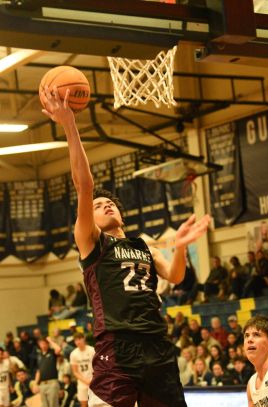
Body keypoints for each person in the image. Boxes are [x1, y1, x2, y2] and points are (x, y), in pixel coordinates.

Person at [42, 86, 211, 407]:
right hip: (118, 345)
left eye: (110, 204)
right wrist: (69, 124)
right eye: (98, 205)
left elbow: (175, 277)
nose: (105, 205)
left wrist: (179, 247)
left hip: (156, 344)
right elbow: (84, 184)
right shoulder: (92, 241)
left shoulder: (145, 246)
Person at [69, 332, 95, 407]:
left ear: (84, 339)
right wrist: (86, 381)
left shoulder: (92, 350)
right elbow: (75, 372)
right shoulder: (73, 354)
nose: (78, 342)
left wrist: (93, 379)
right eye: (76, 340)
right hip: (82, 383)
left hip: (94, 381)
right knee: (84, 405)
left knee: (96, 404)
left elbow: (98, 367)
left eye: (79, 339)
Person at [34, 337, 61, 407]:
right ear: (39, 344)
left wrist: (50, 341)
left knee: (53, 405)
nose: (43, 345)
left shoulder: (52, 352)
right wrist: (35, 384)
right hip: (42, 384)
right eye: (41, 343)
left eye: (45, 343)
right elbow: (38, 371)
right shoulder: (39, 355)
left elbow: (58, 349)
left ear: (48, 344)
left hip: (52, 383)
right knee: (44, 405)